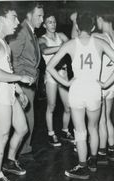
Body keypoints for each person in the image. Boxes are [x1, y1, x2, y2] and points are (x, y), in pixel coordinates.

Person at [47, 12, 114, 179]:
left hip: (77, 90)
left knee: (80, 132)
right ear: (94, 27)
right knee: (94, 128)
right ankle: (93, 161)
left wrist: (66, 83)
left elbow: (50, 67)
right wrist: (105, 83)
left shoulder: (70, 44)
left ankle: (82, 167)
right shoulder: (100, 42)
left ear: (77, 26)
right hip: (94, 91)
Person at [0, 4, 34, 181]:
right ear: (1, 19)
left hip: (9, 91)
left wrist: (18, 90)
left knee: (22, 128)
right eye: (14, 17)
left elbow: (7, 71)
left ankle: (10, 161)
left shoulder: (4, 43)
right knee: (2, 135)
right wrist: (20, 78)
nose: (17, 22)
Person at [71, 10, 114, 164]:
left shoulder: (99, 37)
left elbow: (78, 38)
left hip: (101, 84)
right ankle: (111, 152)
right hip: (112, 83)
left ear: (100, 19)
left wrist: (75, 22)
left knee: (100, 123)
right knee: (107, 119)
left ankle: (101, 153)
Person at [9, 2, 44, 155]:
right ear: (29, 15)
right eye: (39, 16)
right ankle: (18, 152)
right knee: (24, 119)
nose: (42, 19)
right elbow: (13, 58)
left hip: (29, 80)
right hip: (23, 82)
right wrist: (19, 80)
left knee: (28, 116)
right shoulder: (22, 31)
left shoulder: (30, 31)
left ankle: (22, 150)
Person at [38, 14, 74, 147]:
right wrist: (62, 48)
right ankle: (51, 134)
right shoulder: (42, 39)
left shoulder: (62, 36)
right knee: (51, 106)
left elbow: (72, 44)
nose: (52, 24)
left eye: (54, 22)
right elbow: (45, 51)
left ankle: (65, 131)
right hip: (51, 76)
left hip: (63, 74)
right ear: (44, 25)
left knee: (68, 106)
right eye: (49, 22)